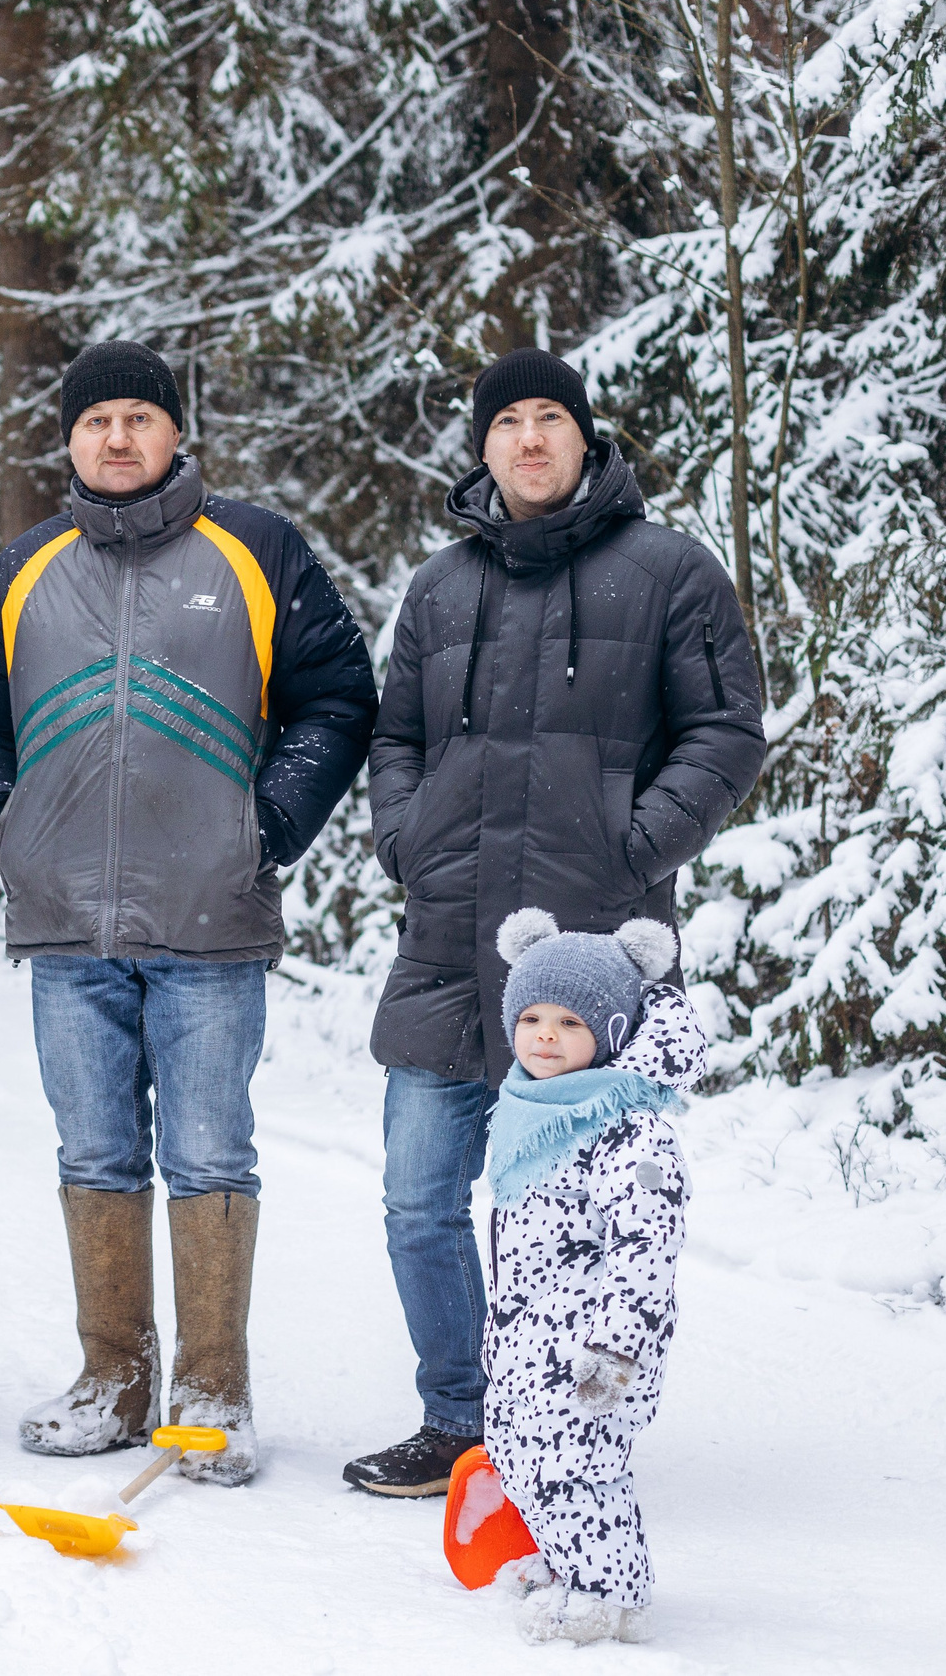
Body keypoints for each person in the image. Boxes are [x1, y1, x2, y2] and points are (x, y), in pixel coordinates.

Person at [0, 340, 377, 1485]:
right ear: (70, 439)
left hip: (208, 920)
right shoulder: (25, 565)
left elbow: (338, 698)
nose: (120, 438)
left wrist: (268, 827)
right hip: (65, 926)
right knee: (92, 1148)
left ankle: (211, 1393)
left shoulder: (253, 551)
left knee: (206, 1153)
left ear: (175, 433)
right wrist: (0, 824)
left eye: (141, 418)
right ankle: (113, 1378)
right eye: (98, 422)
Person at [347, 347, 765, 1498]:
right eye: (507, 423)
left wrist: (631, 850)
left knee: (576, 1220)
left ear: (585, 439)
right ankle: (459, 1420)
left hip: (588, 965)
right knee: (421, 1198)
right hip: (447, 942)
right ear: (481, 447)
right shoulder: (440, 587)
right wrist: (406, 838)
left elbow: (726, 734)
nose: (529, 439)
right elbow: (396, 740)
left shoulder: (670, 572)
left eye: (550, 419)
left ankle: (566, 1434)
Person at [476, 908, 707, 1645]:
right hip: (526, 1336)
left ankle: (609, 1593)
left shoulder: (625, 1124)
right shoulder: (531, 1104)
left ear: (609, 1035)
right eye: (533, 1016)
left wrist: (616, 1347)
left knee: (578, 1466)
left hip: (590, 1346)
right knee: (523, 1456)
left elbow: (647, 1243)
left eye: (571, 1023)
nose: (546, 1034)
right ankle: (568, 1559)